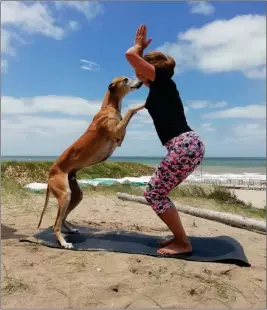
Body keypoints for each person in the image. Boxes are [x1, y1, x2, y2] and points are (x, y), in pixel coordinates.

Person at [125, 24, 205, 255]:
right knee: (159, 193)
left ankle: (183, 242)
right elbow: (137, 66)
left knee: (154, 193)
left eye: (141, 69)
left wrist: (138, 49)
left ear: (149, 71)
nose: (137, 72)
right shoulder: (159, 89)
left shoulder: (162, 82)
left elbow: (130, 56)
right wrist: (140, 57)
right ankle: (179, 237)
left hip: (184, 145)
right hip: (188, 145)